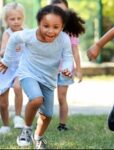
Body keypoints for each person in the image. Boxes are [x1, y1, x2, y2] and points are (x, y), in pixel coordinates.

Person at [0, 5, 73, 149]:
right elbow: (14, 38)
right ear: (39, 23)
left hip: (48, 78)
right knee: (36, 98)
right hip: (28, 73)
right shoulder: (29, 35)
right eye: (46, 26)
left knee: (47, 114)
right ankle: (26, 129)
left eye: (56, 27)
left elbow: (67, 57)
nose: (50, 31)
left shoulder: (64, 39)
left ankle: (38, 137)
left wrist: (66, 68)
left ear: (62, 27)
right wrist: (7, 61)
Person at [51, 0, 85, 131]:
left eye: (61, 10)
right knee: (42, 97)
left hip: (65, 70)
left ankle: (62, 125)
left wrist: (79, 69)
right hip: (48, 69)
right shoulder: (47, 27)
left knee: (61, 97)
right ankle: (42, 121)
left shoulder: (71, 32)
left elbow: (75, 52)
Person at [0, 2, 25, 134]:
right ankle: (5, 125)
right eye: (12, 19)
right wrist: (7, 49)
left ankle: (17, 116)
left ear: (23, 18)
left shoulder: (26, 33)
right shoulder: (7, 34)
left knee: (17, 87)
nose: (16, 22)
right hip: (6, 67)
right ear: (6, 20)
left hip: (21, 68)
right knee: (3, 102)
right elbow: (3, 50)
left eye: (18, 18)